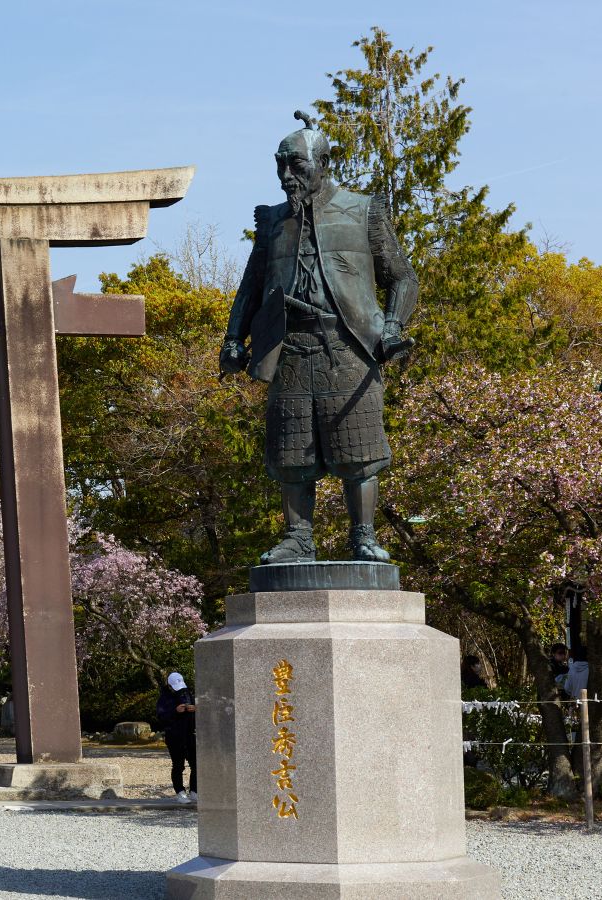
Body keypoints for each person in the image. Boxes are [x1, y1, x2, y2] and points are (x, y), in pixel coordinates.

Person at [220, 111, 419, 563]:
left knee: (359, 450)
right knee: (291, 454)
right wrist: (233, 338)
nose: (286, 175)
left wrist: (392, 326)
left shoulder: (362, 210)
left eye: (296, 164)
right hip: (288, 347)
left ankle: (363, 535)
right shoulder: (273, 221)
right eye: (280, 164)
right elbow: (251, 286)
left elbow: (403, 277)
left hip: (349, 346)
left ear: (324, 163)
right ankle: (297, 537)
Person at [156, 672, 198, 803]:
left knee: (196, 764)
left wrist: (195, 708)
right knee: (178, 765)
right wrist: (175, 711)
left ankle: (194, 791)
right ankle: (180, 792)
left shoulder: (187, 693)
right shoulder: (164, 698)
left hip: (190, 734)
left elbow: (198, 710)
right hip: (174, 736)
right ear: (169, 685)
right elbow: (161, 716)